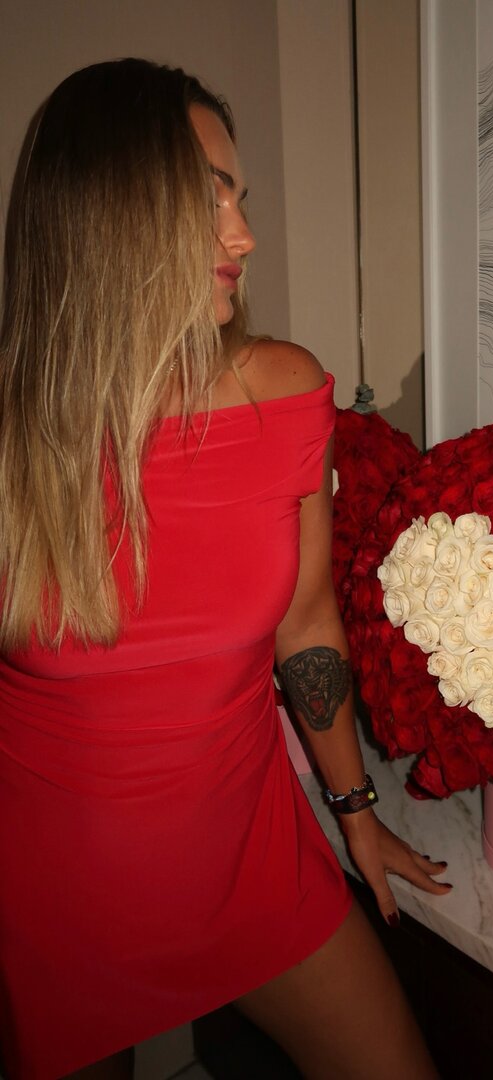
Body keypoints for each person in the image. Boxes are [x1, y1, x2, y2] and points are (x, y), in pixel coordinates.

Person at [0, 58, 449, 1080]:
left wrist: (355, 812)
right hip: (51, 900)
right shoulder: (13, 442)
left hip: (252, 866)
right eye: (209, 201)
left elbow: (307, 621)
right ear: (109, 213)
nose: (243, 236)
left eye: (240, 201)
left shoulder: (282, 393)